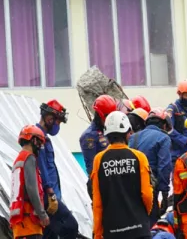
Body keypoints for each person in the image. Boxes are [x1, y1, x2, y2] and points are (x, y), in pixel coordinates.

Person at [90, 111, 154, 239]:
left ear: (107, 134)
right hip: (139, 229)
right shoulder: (139, 157)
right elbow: (147, 194)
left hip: (112, 231)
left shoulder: (99, 160)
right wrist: (142, 216)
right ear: (128, 133)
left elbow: (97, 200)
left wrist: (97, 233)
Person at [36, 100, 79, 239]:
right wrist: (50, 192)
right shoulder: (38, 138)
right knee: (71, 226)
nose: (58, 126)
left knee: (50, 235)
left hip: (50, 197)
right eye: (58, 122)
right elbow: (41, 166)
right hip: (47, 197)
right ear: (49, 118)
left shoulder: (44, 138)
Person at [129, 108, 173, 227]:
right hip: (150, 190)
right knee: (151, 225)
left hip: (130, 189)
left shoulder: (133, 138)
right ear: (164, 125)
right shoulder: (164, 138)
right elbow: (164, 167)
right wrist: (164, 192)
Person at [10, 125, 50, 239]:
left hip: (19, 224)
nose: (40, 146)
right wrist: (42, 214)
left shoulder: (18, 160)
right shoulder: (29, 158)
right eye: (39, 142)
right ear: (33, 140)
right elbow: (32, 189)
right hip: (29, 224)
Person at [80, 95, 117, 198]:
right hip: (101, 185)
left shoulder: (110, 130)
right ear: (100, 115)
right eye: (108, 116)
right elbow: (92, 169)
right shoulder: (89, 136)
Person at [166, 80, 187, 166]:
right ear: (180, 94)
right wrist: (186, 140)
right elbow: (168, 129)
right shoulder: (172, 109)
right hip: (176, 155)